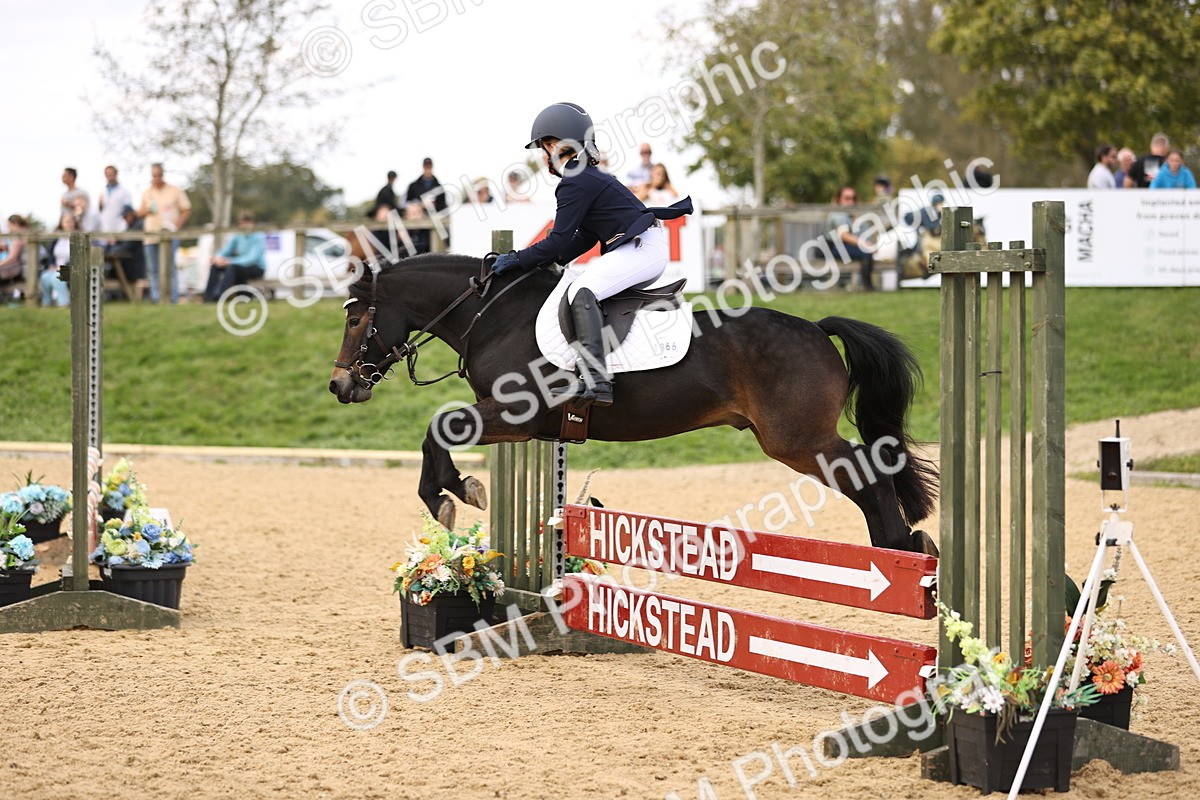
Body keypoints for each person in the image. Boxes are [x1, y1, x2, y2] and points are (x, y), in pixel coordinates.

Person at [490, 102, 692, 408]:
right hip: (640, 246)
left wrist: (519, 259)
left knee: (583, 291)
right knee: (579, 286)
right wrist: (552, 260)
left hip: (642, 249)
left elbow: (558, 240)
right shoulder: (584, 176)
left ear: (556, 145)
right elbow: (584, 236)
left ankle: (596, 379)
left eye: (544, 148)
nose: (545, 157)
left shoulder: (575, 181)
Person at [138, 162, 191, 303]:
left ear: (163, 174)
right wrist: (146, 211)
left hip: (170, 236)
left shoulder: (175, 190)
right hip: (150, 237)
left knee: (171, 269)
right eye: (153, 175)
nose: (156, 178)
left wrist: (177, 226)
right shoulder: (147, 192)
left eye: (158, 175)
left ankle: (172, 299)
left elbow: (186, 209)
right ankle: (157, 299)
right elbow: (139, 212)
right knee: (153, 270)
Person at [204, 210, 266, 301]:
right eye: (243, 222)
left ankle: (221, 296)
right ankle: (208, 297)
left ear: (253, 223)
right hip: (240, 266)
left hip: (256, 267)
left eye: (248, 222)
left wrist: (229, 261)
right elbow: (226, 250)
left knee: (232, 267)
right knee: (216, 266)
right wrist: (217, 258)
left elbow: (251, 259)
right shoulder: (237, 235)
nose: (245, 225)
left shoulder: (258, 237)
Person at [824, 186, 875, 291]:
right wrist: (865, 244)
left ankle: (866, 287)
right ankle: (868, 288)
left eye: (853, 198)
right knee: (866, 253)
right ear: (838, 199)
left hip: (840, 247)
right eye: (847, 198)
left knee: (867, 252)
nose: (851, 201)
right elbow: (844, 236)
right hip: (833, 248)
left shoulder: (847, 214)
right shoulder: (837, 214)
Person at [405, 158, 445, 254]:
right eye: (426, 166)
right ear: (423, 167)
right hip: (414, 227)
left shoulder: (439, 187)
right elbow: (406, 203)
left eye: (429, 166)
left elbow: (443, 207)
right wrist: (419, 206)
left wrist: (432, 207)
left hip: (433, 226)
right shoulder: (413, 186)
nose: (428, 169)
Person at [106, 205, 147, 297]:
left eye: (125, 216)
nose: (124, 219)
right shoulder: (131, 226)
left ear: (131, 215)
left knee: (114, 271)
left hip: (135, 264)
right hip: (131, 263)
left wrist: (113, 248)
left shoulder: (138, 226)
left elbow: (128, 245)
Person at [42, 212, 75, 307]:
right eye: (66, 222)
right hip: (56, 267)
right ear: (61, 223)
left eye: (71, 221)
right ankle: (47, 303)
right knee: (44, 277)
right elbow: (50, 254)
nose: (69, 224)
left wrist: (63, 267)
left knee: (57, 276)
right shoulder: (56, 238)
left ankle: (63, 303)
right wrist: (51, 264)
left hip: (72, 268)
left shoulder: (79, 237)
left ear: (74, 223)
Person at [97, 166, 133, 233]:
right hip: (105, 228)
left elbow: (128, 212)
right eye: (107, 174)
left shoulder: (124, 191)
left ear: (116, 174)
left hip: (120, 229)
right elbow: (100, 211)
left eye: (111, 173)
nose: (109, 176)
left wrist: (124, 226)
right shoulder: (102, 191)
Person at [0, 215, 29, 286]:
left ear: (15, 224)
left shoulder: (19, 238)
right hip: (22, 267)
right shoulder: (25, 234)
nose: (8, 228)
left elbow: (12, 258)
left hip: (22, 270)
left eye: (9, 225)